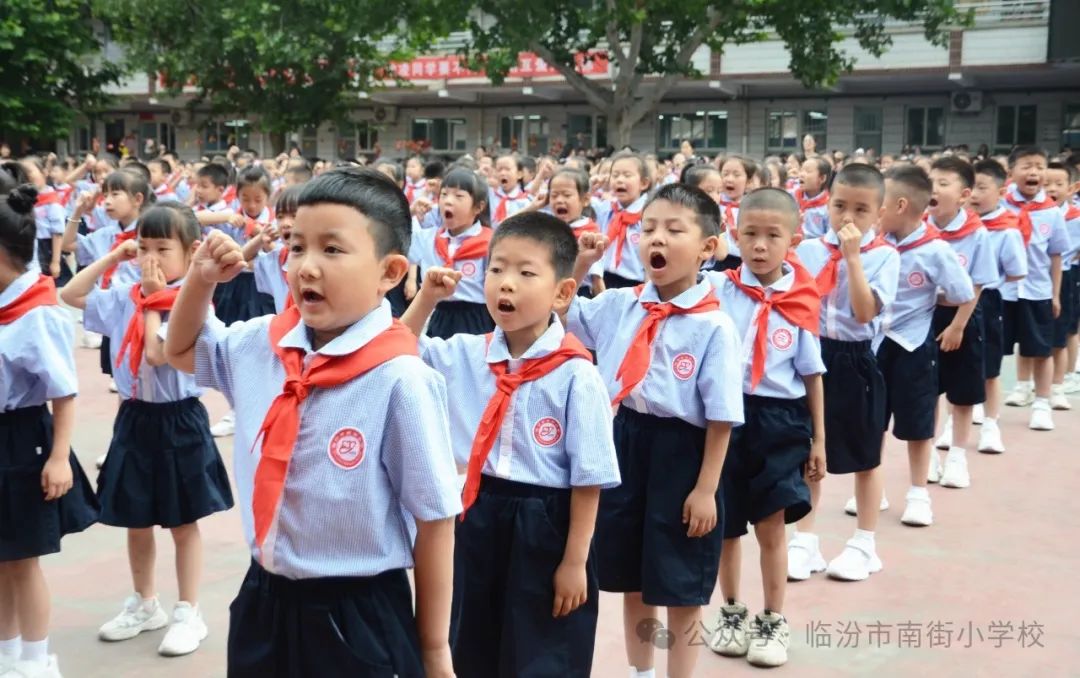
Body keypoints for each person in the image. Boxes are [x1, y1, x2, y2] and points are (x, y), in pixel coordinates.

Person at [163, 167, 459, 677]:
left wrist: (433, 650)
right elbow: (181, 348)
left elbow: (435, 521)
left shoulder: (401, 380)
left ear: (390, 273)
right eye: (297, 247)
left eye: (332, 250)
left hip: (357, 611)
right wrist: (200, 278)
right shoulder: (263, 344)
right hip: (264, 597)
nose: (306, 266)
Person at [402, 211, 621, 677]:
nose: (506, 283)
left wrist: (575, 561)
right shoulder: (467, 352)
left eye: (526, 273)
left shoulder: (577, 375)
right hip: (479, 512)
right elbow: (401, 351)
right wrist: (426, 299)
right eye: (496, 269)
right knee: (473, 636)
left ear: (563, 292)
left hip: (547, 522)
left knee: (541, 647)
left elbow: (590, 479)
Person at [569, 184, 744, 678]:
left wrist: (707, 488)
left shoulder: (713, 327)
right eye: (648, 229)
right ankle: (640, 671)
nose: (655, 240)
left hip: (683, 455)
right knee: (632, 578)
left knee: (680, 584)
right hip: (625, 440)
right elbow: (560, 315)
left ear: (708, 248)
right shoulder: (620, 304)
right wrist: (581, 265)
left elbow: (722, 416)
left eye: (673, 229)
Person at [60, 202, 234, 658]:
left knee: (182, 520)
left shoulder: (191, 302)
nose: (150, 257)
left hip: (180, 419)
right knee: (135, 517)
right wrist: (114, 260)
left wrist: (155, 301)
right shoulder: (125, 292)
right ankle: (145, 602)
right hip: (135, 416)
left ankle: (187, 610)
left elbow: (158, 356)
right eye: (143, 247)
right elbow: (72, 295)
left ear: (192, 252)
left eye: (162, 248)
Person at [702, 188, 825, 668]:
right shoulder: (718, 289)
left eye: (772, 236)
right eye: (749, 234)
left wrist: (819, 440)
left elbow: (813, 375)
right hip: (725, 418)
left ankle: (773, 620)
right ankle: (731, 611)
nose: (759, 245)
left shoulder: (801, 299)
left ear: (792, 239)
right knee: (727, 525)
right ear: (734, 235)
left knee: (772, 525)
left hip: (780, 421)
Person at [0, 184, 99, 678]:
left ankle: (36, 660)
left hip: (22, 440)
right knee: (2, 558)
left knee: (23, 559)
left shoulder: (36, 314)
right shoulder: (6, 304)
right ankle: (7, 650)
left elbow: (63, 392)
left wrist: (58, 457)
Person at [788, 164, 900, 583]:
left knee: (865, 455)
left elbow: (864, 311)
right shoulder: (811, 249)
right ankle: (805, 541)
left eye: (860, 209)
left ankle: (864, 544)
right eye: (839, 206)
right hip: (813, 357)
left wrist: (852, 258)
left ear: (879, 212)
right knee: (808, 451)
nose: (847, 218)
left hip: (856, 359)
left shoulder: (886, 256)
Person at [871, 166, 974, 525]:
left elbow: (962, 293)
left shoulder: (936, 250)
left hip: (913, 345)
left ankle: (918, 493)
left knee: (917, 422)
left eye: (878, 203)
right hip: (874, 344)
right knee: (872, 421)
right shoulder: (873, 243)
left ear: (900, 205)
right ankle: (872, 489)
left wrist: (927, 303)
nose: (874, 211)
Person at [925, 157, 997, 489]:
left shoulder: (976, 234)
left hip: (964, 316)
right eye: (931, 181)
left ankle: (956, 456)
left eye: (943, 183)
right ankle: (926, 454)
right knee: (926, 388)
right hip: (926, 315)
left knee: (963, 390)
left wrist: (958, 326)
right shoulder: (921, 227)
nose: (934, 188)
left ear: (964, 194)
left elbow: (978, 284)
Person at [1000, 146, 1071, 431]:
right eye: (1027, 166)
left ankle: (1042, 403)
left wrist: (1055, 294)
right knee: (992, 349)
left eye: (1039, 166)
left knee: (1041, 349)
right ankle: (983, 401)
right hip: (1003, 291)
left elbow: (1056, 256)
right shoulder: (1000, 206)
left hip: (1038, 290)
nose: (1034, 172)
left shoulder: (1051, 212)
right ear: (1011, 172)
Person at [968, 160, 1028, 454]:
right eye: (972, 188)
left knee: (990, 367)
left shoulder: (1006, 231)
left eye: (983, 187)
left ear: (1001, 190)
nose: (975, 195)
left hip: (990, 299)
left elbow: (1017, 271)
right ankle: (955, 423)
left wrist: (991, 276)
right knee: (955, 367)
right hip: (955, 301)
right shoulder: (960, 226)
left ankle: (991, 424)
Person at [408, 167, 494, 338]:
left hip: (476, 317)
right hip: (439, 315)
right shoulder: (429, 239)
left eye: (459, 196)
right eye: (444, 194)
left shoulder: (491, 242)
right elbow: (394, 238)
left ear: (478, 207)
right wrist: (411, 211)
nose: (448, 201)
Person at [1043, 161, 1080, 407]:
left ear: (1072, 188)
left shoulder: (1076, 217)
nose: (1051, 188)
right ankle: (1038, 381)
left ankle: (1065, 378)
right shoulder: (1036, 212)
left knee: (1067, 329)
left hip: (1068, 275)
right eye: (1046, 184)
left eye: (1058, 184)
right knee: (1041, 331)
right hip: (1038, 276)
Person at [592, 151, 651, 289]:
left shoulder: (649, 214)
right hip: (605, 280)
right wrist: (592, 188)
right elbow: (582, 208)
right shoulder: (606, 209)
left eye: (627, 175)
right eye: (615, 175)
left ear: (643, 183)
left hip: (636, 283)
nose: (619, 180)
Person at [794, 157, 832, 239]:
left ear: (822, 178)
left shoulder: (829, 207)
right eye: (801, 170)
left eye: (808, 171)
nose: (801, 174)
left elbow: (830, 238)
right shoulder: (792, 198)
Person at [489, 155, 531, 228]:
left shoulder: (526, 201)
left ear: (519, 174)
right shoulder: (488, 197)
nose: (502, 173)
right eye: (499, 170)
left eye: (507, 169)